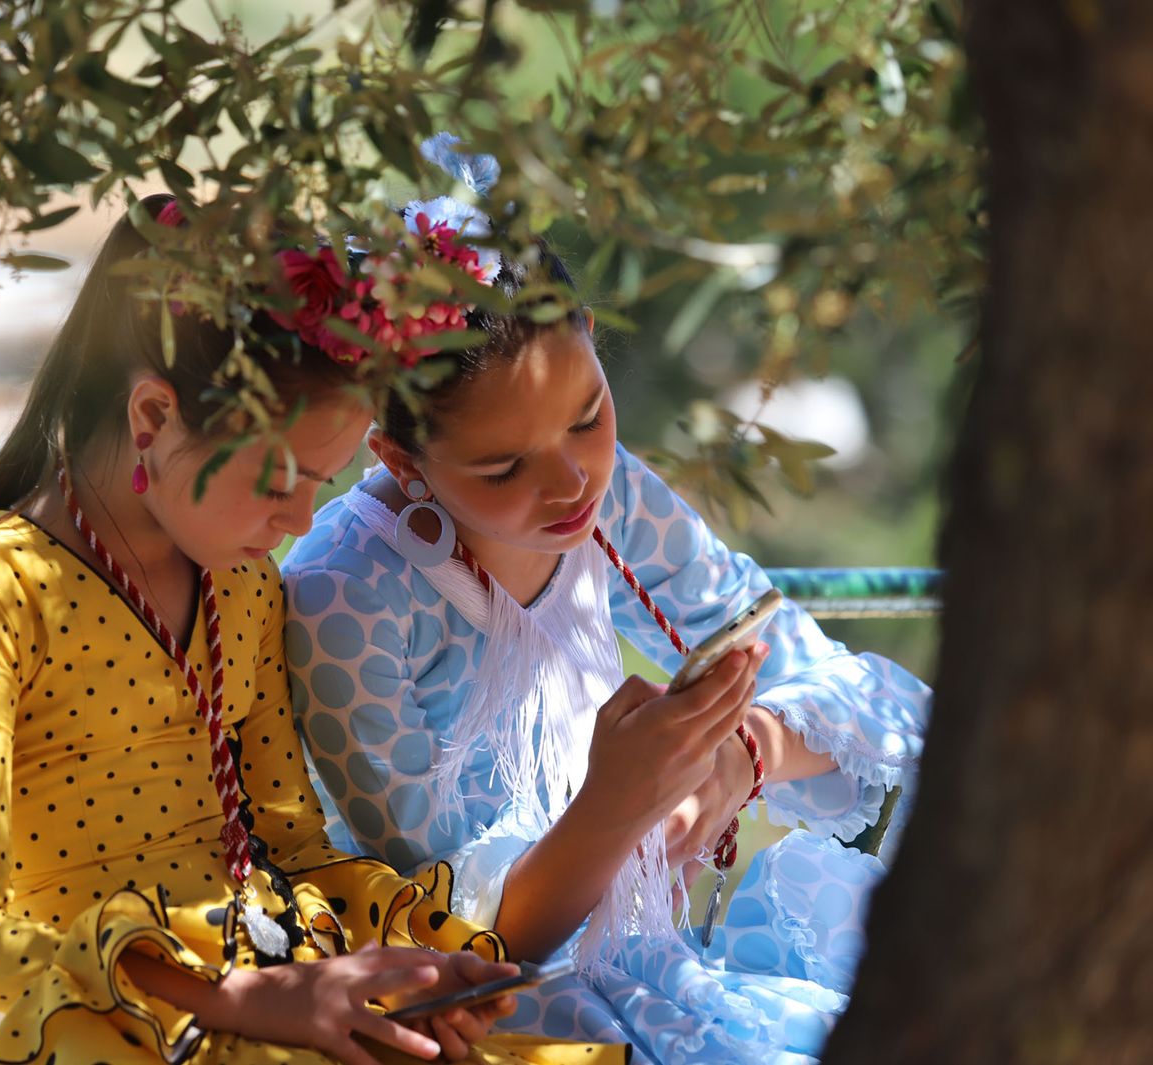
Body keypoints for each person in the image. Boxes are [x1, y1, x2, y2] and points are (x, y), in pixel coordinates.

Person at [0, 194, 629, 1065]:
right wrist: (233, 995)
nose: (302, 517)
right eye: (279, 481)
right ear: (152, 419)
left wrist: (420, 965)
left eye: (323, 480)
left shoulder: (244, 585)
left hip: (285, 981)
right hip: (128, 1028)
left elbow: (293, 845)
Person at [281, 153, 930, 1065]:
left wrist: (744, 754)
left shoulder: (613, 498)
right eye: (503, 468)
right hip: (504, 1022)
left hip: (657, 970)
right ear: (398, 458)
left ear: (588, 331)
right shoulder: (347, 596)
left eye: (588, 414)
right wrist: (616, 804)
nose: (571, 481)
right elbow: (454, 946)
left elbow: (831, 678)